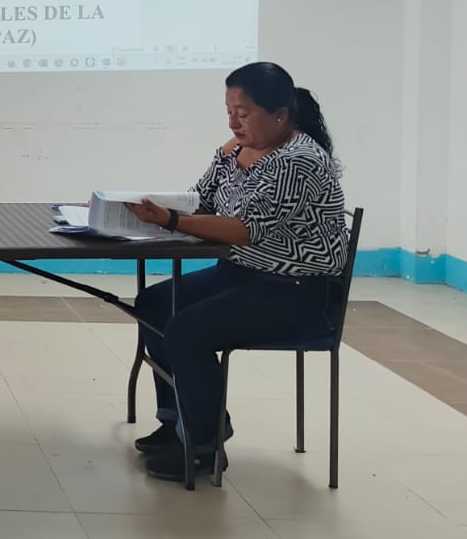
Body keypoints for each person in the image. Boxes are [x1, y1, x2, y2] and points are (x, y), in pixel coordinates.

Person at [125, 62, 349, 483]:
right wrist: (146, 211)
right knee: (154, 304)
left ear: (279, 114)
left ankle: (203, 445)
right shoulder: (234, 151)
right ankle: (179, 422)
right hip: (242, 275)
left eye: (243, 113)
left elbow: (245, 229)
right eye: (229, 111)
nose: (233, 122)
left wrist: (170, 220)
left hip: (297, 294)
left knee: (186, 329)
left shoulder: (298, 161)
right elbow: (202, 201)